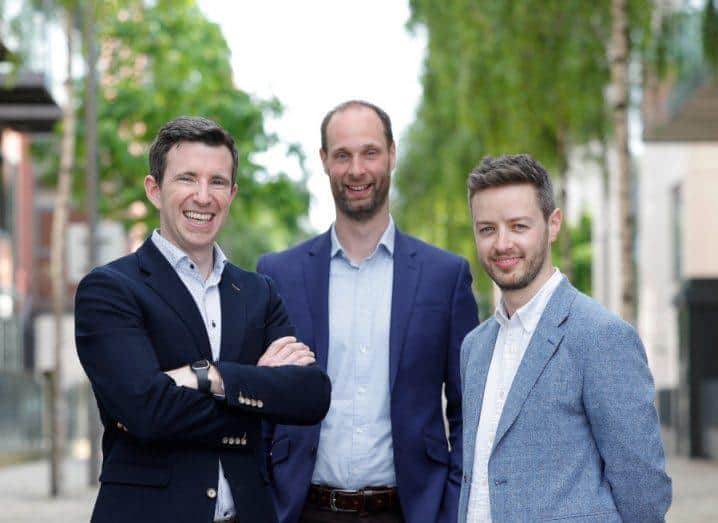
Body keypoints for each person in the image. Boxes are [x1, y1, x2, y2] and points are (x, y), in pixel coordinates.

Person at [75, 116, 331, 523]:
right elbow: (147, 411)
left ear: (231, 194)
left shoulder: (257, 292)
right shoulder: (110, 289)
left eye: (217, 182)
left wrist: (208, 377)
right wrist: (257, 393)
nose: (203, 196)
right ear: (154, 190)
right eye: (187, 179)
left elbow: (311, 395)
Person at [257, 100, 479, 523]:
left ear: (392, 155)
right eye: (342, 155)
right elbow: (262, 399)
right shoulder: (277, 275)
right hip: (302, 511)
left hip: (410, 512)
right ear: (324, 161)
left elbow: (468, 410)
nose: (356, 169)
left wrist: (450, 510)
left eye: (370, 153)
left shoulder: (445, 277)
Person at [458, 154, 672, 522]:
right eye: (487, 229)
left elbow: (643, 490)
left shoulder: (601, 337)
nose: (502, 243)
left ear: (552, 224)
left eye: (519, 226)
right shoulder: (474, 348)